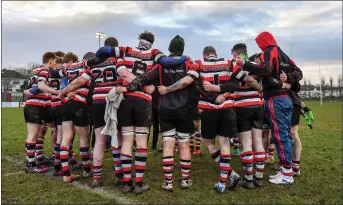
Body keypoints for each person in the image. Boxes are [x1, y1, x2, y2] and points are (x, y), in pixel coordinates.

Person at [87, 30, 191, 194]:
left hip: (126, 99)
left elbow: (114, 63)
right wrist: (184, 57)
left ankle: (127, 181)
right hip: (143, 100)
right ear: (152, 42)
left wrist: (95, 59)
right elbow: (169, 62)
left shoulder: (125, 51)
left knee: (127, 141)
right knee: (142, 143)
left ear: (139, 39)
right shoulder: (154, 53)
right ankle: (139, 182)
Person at [156, 46, 261, 193]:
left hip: (209, 110)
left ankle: (230, 173)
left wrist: (167, 89)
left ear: (204, 55)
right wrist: (260, 90)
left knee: (209, 144)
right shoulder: (228, 63)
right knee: (225, 143)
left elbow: (186, 81)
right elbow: (248, 79)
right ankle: (223, 181)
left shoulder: (199, 64)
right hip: (227, 107)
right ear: (216, 54)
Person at [117, 35, 196, 191]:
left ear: (169, 49)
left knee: (165, 144)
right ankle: (185, 180)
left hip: (165, 108)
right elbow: (195, 85)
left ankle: (166, 182)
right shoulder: (190, 63)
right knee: (184, 145)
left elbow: (143, 78)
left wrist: (128, 88)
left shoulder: (160, 65)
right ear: (183, 49)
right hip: (184, 110)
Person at [235, 31, 302, 184]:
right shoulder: (284, 54)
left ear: (264, 41)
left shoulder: (269, 51)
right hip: (285, 99)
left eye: (259, 42)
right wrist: (289, 78)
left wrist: (245, 64)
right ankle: (288, 169)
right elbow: (299, 72)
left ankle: (286, 174)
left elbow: (264, 69)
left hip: (275, 99)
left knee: (279, 136)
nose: (259, 46)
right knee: (284, 134)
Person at [52, 52, 96, 183]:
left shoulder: (69, 67)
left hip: (66, 102)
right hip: (79, 104)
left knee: (66, 138)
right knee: (84, 138)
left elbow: (54, 74)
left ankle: (66, 173)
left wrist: (64, 91)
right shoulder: (87, 65)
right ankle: (87, 170)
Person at [229, 43, 265, 189]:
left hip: (242, 106)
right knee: (258, 141)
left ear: (236, 54)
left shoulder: (234, 65)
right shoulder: (255, 66)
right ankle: (259, 178)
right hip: (258, 105)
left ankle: (249, 179)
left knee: (246, 142)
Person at [23, 52, 59, 173]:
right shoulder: (44, 70)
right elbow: (42, 86)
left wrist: (33, 91)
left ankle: (32, 160)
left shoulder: (35, 71)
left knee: (36, 133)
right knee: (33, 135)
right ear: (50, 61)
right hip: (35, 106)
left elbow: (27, 90)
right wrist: (57, 92)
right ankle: (31, 164)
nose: (55, 64)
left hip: (36, 105)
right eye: (54, 61)